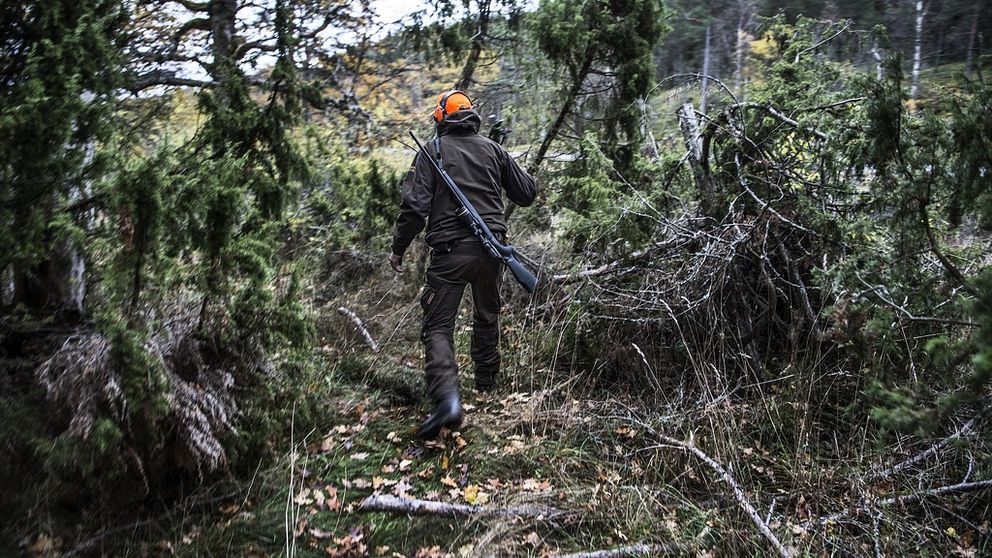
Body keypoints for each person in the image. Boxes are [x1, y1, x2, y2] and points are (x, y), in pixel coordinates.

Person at [388, 90, 537, 440]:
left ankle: (448, 401)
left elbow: (414, 209)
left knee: (438, 328)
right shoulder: (493, 149)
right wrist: (503, 161)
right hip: (491, 252)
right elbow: (527, 193)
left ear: (441, 118)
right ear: (472, 117)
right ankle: (486, 383)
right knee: (487, 315)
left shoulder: (432, 151)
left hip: (449, 253)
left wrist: (397, 250)